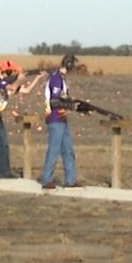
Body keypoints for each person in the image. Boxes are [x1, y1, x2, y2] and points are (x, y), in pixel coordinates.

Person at [40, 54, 82, 190]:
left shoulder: (62, 80)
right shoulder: (56, 79)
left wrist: (75, 104)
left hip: (62, 119)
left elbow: (64, 99)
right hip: (55, 119)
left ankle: (70, 180)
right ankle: (47, 180)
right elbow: (55, 101)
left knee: (68, 150)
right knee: (54, 149)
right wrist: (70, 106)